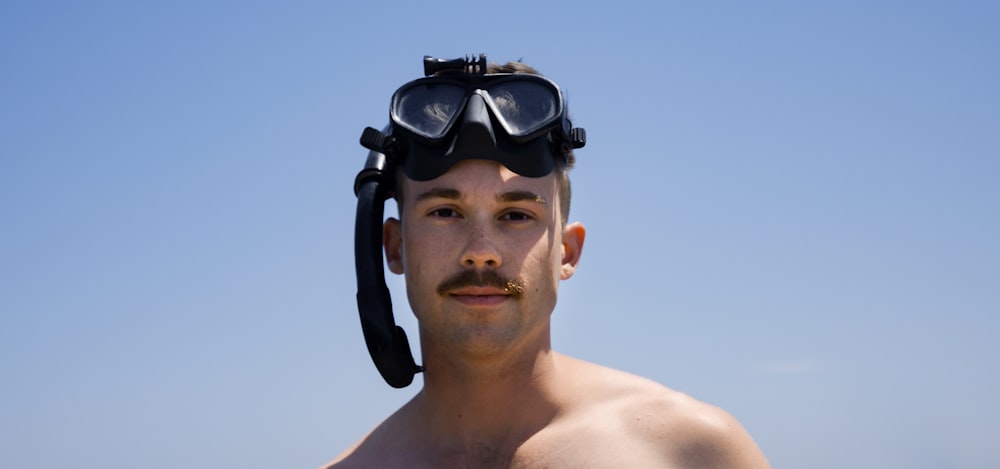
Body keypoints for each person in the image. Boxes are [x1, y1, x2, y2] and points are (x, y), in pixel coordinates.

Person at [324, 55, 770, 468]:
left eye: (516, 215)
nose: (481, 249)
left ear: (567, 252)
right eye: (445, 212)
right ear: (394, 246)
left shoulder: (690, 451)